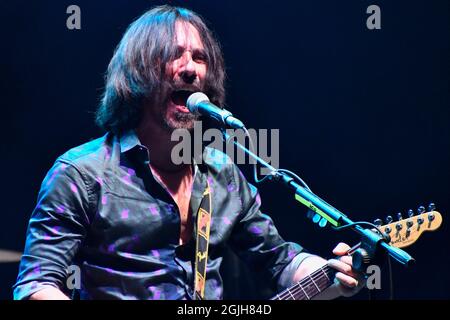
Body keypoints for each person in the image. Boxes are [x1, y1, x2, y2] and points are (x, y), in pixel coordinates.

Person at [13, 5, 364, 300]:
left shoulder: (221, 173)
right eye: (173, 55)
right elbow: (36, 284)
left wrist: (331, 272)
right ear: (138, 71)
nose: (190, 68)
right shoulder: (82, 174)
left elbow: (280, 262)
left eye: (199, 58)